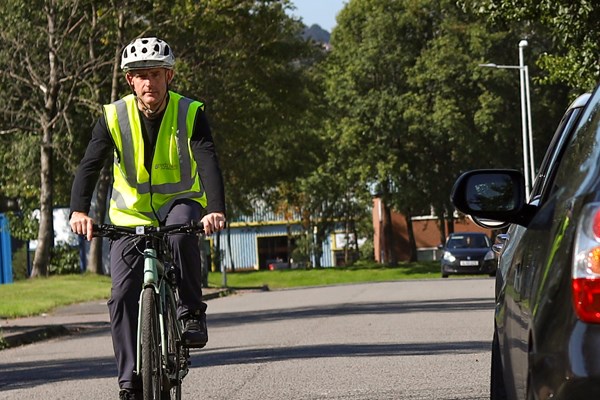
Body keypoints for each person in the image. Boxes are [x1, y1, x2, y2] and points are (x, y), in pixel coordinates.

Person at [69, 36, 226, 400]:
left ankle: (189, 312)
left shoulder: (190, 112)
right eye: (140, 75)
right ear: (130, 80)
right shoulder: (112, 116)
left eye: (155, 74)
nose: (148, 83)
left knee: (180, 236)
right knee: (122, 292)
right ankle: (129, 382)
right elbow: (89, 166)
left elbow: (207, 159)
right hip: (130, 213)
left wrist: (216, 208)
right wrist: (79, 209)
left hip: (180, 204)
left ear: (169, 76)